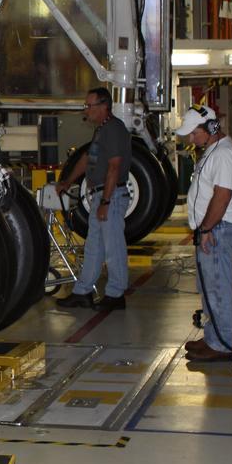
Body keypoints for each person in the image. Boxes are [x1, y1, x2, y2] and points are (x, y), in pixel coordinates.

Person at [176, 105, 232, 363]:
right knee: (208, 288)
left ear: (212, 128)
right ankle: (213, 337)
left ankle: (221, 345)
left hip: (219, 229)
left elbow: (222, 196)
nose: (191, 139)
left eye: (194, 134)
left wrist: (206, 228)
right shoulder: (214, 151)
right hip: (213, 228)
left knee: (217, 288)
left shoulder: (224, 154)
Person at [55, 87, 132, 311]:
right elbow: (88, 157)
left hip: (111, 196)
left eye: (89, 106)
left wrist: (106, 202)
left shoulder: (114, 129)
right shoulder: (102, 130)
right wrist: (67, 182)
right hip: (100, 195)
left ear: (103, 106)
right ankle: (83, 292)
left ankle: (116, 295)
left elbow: (114, 167)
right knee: (94, 246)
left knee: (113, 247)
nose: (86, 110)